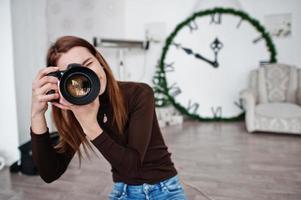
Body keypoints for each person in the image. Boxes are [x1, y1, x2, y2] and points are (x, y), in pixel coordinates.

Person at [30, 36, 187, 200]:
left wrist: (90, 125)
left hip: (165, 187)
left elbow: (133, 167)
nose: (86, 76)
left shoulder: (139, 93)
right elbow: (50, 173)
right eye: (74, 74)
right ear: (62, 82)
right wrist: (36, 113)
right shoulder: (76, 110)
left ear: (100, 61)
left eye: (88, 64)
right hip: (124, 191)